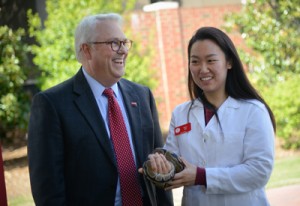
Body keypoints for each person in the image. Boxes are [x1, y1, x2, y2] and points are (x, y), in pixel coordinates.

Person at [27, 13, 173, 206]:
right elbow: (48, 189)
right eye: (114, 43)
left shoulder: (142, 95)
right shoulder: (52, 104)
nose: (122, 51)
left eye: (124, 42)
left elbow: (159, 163)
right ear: (86, 50)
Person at [147, 27, 276, 206]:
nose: (203, 69)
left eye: (211, 60)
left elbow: (259, 172)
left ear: (229, 62)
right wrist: (160, 168)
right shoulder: (181, 113)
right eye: (195, 61)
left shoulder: (253, 111)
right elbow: (173, 163)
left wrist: (202, 176)